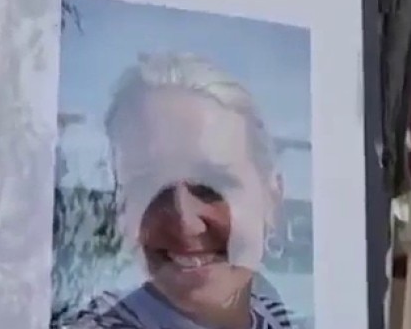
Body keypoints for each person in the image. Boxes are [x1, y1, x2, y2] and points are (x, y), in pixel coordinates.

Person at [61, 53, 300, 329]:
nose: (185, 222)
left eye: (212, 185)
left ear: (271, 198)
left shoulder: (278, 315)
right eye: (149, 187)